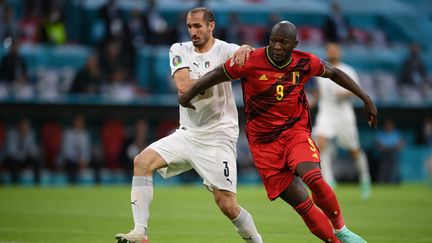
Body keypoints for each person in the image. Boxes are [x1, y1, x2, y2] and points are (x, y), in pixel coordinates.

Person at [179, 21, 378, 243]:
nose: (277, 46)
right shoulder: (250, 61)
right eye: (273, 41)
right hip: (263, 145)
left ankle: (341, 229)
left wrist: (365, 98)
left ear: (295, 44)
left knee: (314, 178)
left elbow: (333, 73)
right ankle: (335, 242)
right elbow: (217, 74)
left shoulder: (305, 61)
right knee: (303, 205)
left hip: (295, 132)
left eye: (284, 42)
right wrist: (187, 95)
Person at [115, 7, 263, 243]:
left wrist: (247, 49)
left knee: (226, 204)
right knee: (142, 162)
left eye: (198, 26)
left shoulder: (226, 50)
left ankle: (257, 241)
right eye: (189, 27)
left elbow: (250, 56)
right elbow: (184, 87)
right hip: (188, 134)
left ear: (211, 26)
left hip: (219, 136)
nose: (193, 32)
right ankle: (140, 233)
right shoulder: (179, 49)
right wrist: (221, 74)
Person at [313, 42, 371, 199]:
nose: (332, 51)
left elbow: (356, 91)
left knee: (353, 149)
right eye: (329, 49)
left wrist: (345, 94)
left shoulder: (348, 70)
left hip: (344, 115)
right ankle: (329, 182)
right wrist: (310, 102)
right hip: (326, 112)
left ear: (339, 51)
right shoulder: (321, 69)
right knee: (320, 145)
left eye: (334, 49)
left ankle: (365, 180)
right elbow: (319, 93)